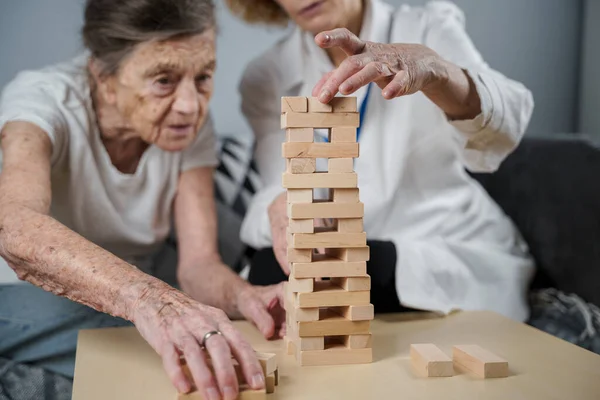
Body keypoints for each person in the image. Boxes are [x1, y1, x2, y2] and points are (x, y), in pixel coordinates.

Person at [0, 0, 285, 399]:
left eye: (203, 77)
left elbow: (199, 265)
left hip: (140, 277)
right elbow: (14, 228)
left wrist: (246, 296)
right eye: (163, 80)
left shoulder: (187, 123)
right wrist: (152, 301)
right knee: (166, 357)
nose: (190, 105)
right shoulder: (42, 101)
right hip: (24, 289)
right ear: (104, 77)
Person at [227, 0, 536, 320]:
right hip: (346, 252)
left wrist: (438, 72)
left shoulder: (427, 27)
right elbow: (279, 179)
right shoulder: (266, 75)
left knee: (352, 271)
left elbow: (505, 130)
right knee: (267, 269)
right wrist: (281, 206)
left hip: (438, 242)